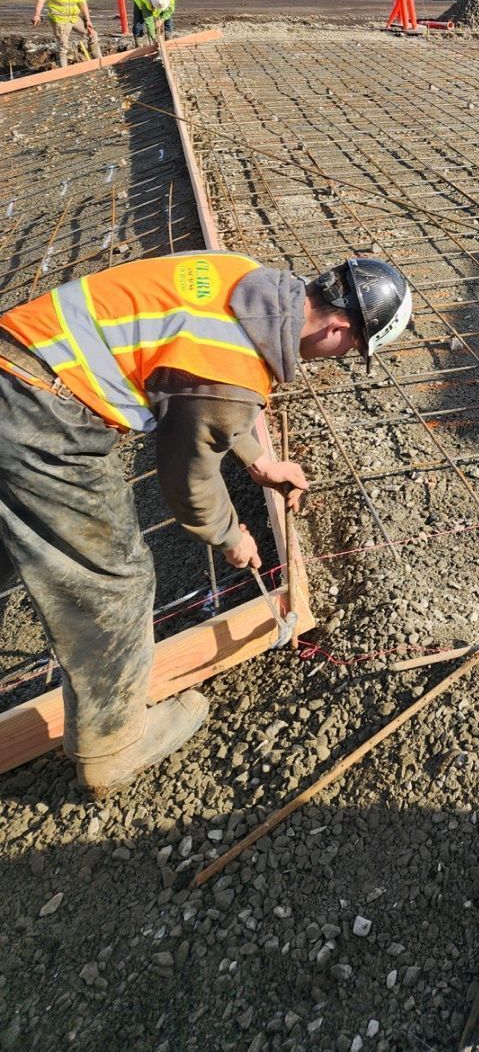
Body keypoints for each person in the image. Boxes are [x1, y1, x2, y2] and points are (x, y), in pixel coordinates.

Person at [0, 252, 412, 795]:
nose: (340, 358)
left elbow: (200, 386)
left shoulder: (242, 275)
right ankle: (114, 746)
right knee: (113, 582)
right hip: (42, 411)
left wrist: (259, 461)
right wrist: (230, 536)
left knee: (23, 537)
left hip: (20, 360)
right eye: (353, 350)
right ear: (338, 329)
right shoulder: (229, 373)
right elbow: (188, 482)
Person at [33, 0, 99, 68]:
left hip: (74, 16)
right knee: (63, 46)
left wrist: (87, 20)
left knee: (93, 35)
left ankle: (100, 62)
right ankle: (64, 71)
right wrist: (37, 14)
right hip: (59, 19)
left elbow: (82, 2)